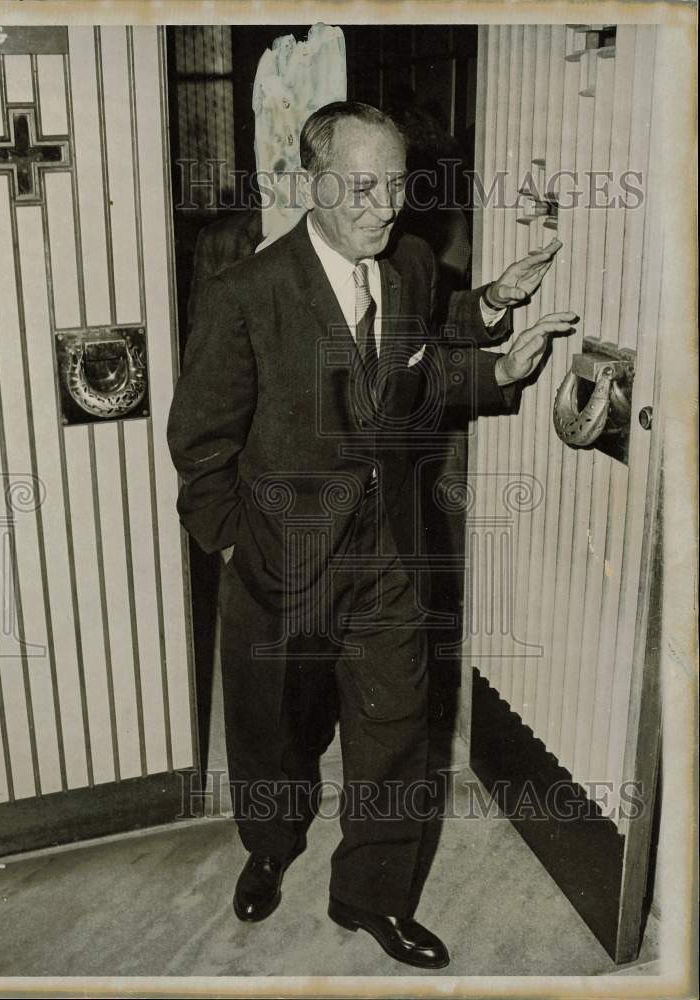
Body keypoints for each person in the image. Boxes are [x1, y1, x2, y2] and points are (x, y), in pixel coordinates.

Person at [167, 100, 576, 970]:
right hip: (279, 559)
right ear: (309, 183)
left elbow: (418, 370)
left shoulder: (412, 267)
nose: (384, 206)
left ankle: (373, 898)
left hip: (389, 554)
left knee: (394, 737)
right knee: (273, 730)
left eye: (396, 185)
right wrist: (236, 545)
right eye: (361, 187)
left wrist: (498, 361)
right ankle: (271, 844)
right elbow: (200, 444)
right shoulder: (247, 292)